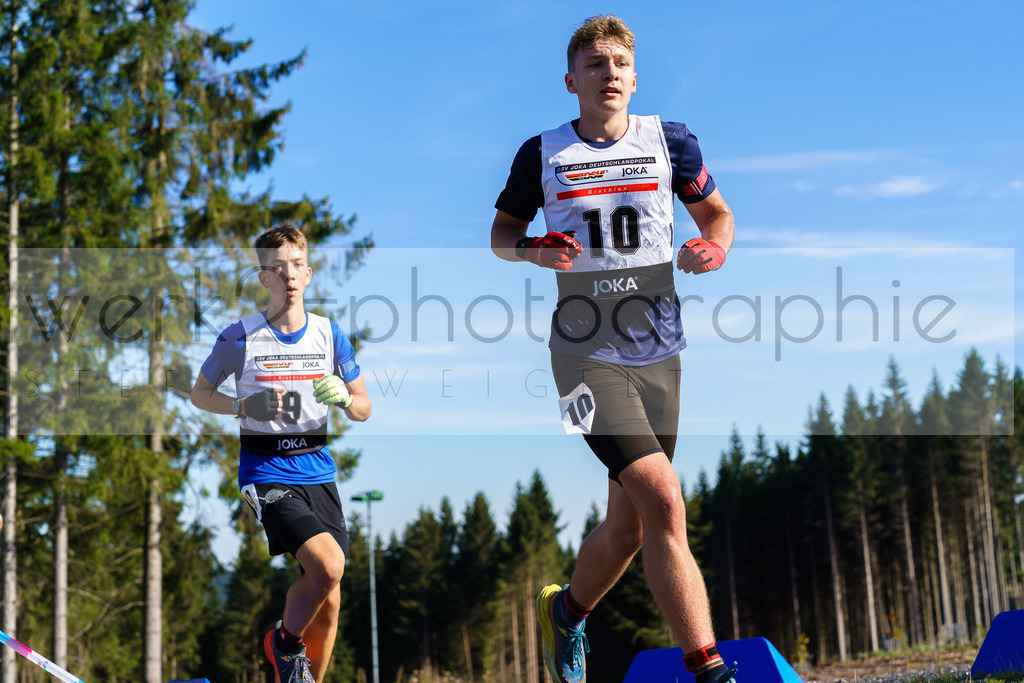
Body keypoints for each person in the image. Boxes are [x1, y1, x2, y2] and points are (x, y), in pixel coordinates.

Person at [490, 15, 737, 683]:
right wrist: (531, 249)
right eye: (595, 64)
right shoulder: (541, 154)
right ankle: (710, 668)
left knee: (632, 527)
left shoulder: (671, 142)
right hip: (581, 353)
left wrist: (713, 246)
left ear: (635, 76)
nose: (610, 74)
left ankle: (569, 613)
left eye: (620, 64)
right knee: (663, 496)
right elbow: (501, 233)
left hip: (660, 348)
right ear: (571, 80)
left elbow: (718, 216)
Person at [191, 222, 370, 683]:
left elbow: (364, 408)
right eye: (276, 268)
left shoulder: (330, 336)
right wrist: (240, 406)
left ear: (308, 274)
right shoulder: (239, 338)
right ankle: (284, 643)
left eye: (295, 266)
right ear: (263, 279)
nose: (288, 276)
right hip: (265, 470)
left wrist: (346, 399)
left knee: (330, 594)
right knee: (330, 566)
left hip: (318, 470)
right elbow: (199, 393)